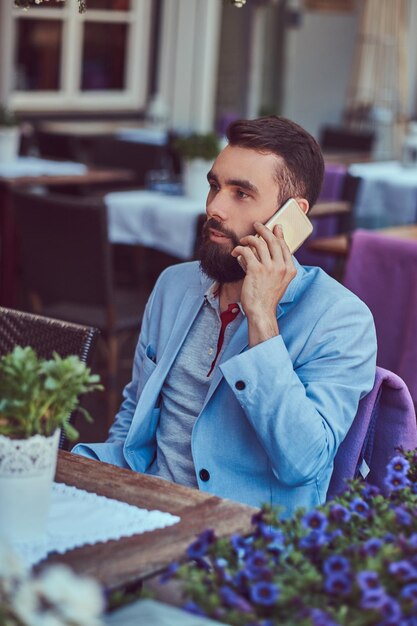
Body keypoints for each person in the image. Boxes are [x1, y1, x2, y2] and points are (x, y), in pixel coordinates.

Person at [73, 116, 377, 518]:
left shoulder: (341, 320)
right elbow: (135, 410)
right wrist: (107, 491)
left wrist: (262, 320)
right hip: (142, 507)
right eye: (215, 185)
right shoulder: (173, 285)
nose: (214, 207)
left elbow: (303, 463)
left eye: (241, 193)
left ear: (292, 217)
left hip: (237, 543)